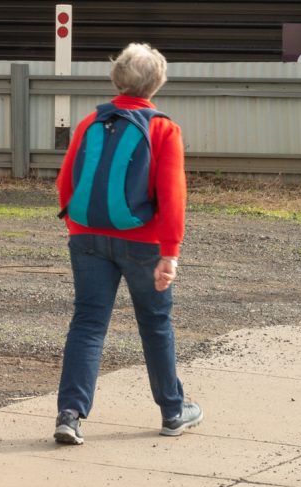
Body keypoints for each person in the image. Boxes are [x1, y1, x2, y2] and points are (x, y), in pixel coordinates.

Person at [54, 43, 200, 445]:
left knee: (87, 324)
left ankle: (70, 414)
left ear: (115, 78)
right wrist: (169, 252)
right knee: (154, 324)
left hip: (87, 237)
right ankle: (173, 411)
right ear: (158, 83)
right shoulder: (163, 129)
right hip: (143, 241)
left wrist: (79, 230)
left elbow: (65, 182)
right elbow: (173, 196)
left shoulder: (89, 123)